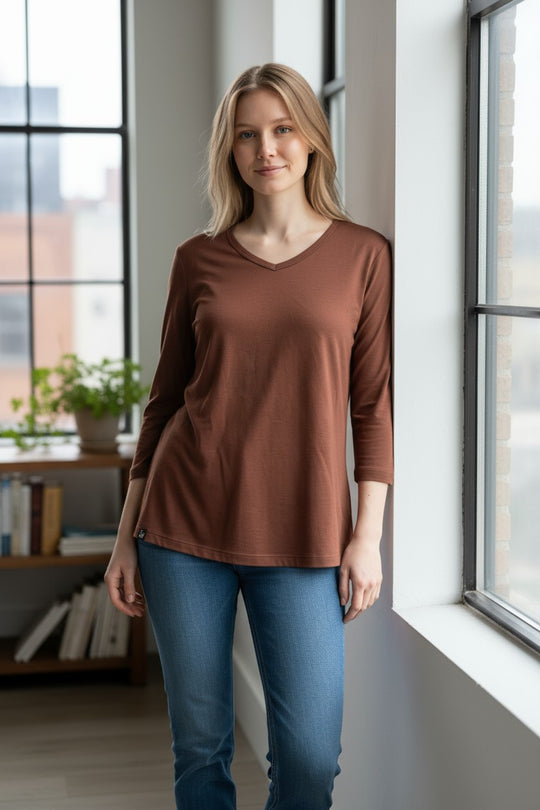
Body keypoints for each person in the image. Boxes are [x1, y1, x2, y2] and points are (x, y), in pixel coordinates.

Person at [105, 63, 393, 810]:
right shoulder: (197, 260)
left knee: (306, 759)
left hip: (303, 535)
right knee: (200, 749)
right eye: (246, 135)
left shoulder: (363, 256)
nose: (265, 148)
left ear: (311, 140)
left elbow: (372, 406)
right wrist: (126, 537)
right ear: (229, 151)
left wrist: (368, 536)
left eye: (281, 129)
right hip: (182, 525)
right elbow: (164, 404)